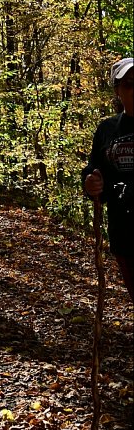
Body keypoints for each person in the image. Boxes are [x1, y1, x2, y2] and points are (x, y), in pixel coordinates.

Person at [82, 56, 134, 302]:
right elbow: (94, 172)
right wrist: (90, 184)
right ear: (117, 91)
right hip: (123, 233)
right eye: (129, 84)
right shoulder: (106, 130)